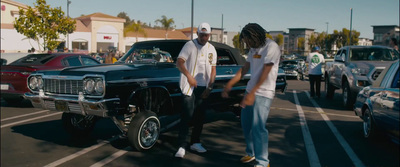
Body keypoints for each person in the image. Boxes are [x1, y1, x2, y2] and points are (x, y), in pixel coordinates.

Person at [222, 23, 280, 167]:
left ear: (254, 35)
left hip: (264, 92)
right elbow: (244, 69)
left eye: (247, 40)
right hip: (250, 91)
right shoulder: (253, 49)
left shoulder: (271, 47)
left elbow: (266, 72)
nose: (246, 44)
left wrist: (252, 93)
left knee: (258, 127)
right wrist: (230, 84)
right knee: (246, 124)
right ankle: (251, 152)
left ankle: (263, 161)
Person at [174, 22, 217, 158]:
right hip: (188, 85)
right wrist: (189, 77)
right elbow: (179, 62)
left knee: (200, 116)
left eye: (206, 35)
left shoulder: (211, 49)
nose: (204, 37)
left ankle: (195, 142)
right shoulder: (190, 45)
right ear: (197, 34)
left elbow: (213, 70)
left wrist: (210, 87)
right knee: (187, 115)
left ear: (209, 35)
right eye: (202, 35)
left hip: (203, 86)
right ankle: (181, 146)